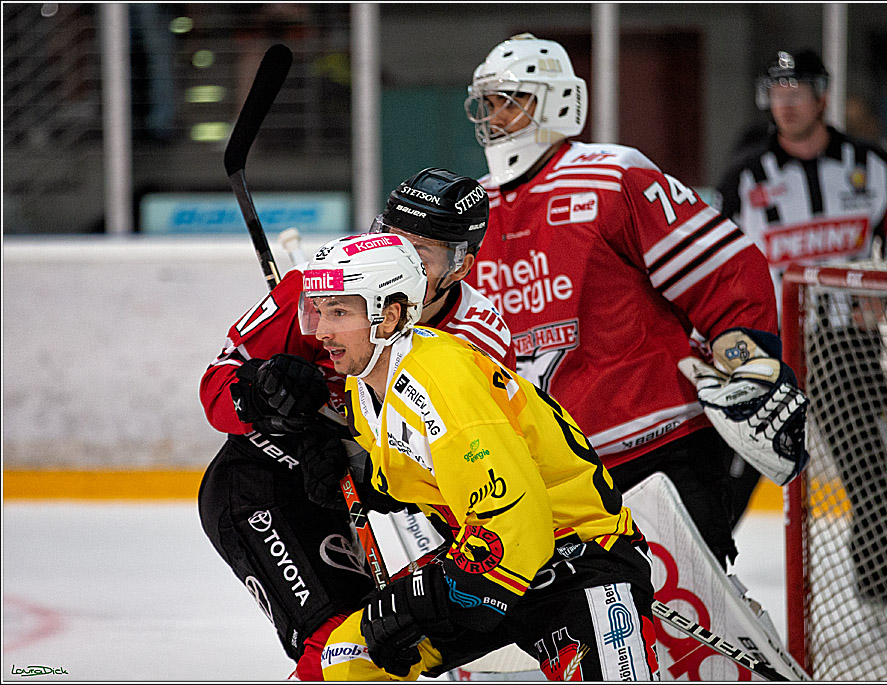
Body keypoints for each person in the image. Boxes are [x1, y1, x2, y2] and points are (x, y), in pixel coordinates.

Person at [460, 33, 808, 571]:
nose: (496, 116)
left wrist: (749, 360)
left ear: (557, 102)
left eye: (513, 99)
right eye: (490, 101)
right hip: (556, 469)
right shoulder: (472, 212)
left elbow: (725, 270)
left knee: (695, 625)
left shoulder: (612, 175)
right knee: (601, 635)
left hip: (662, 448)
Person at [297, 232, 659, 681]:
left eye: (339, 312)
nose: (321, 331)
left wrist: (426, 597)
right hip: (495, 565)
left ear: (388, 317)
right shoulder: (366, 383)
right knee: (351, 658)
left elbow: (515, 523)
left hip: (578, 562)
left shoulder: (440, 379)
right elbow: (421, 474)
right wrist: (361, 474)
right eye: (318, 310)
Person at [197, 168, 513, 678]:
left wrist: (364, 466)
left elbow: (469, 463)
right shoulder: (319, 288)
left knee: (382, 650)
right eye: (393, 241)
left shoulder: (478, 339)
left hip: (362, 491)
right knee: (338, 651)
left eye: (423, 254)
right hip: (267, 485)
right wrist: (260, 391)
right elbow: (217, 385)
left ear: (460, 267)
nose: (401, 261)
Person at [714, 49, 887, 613]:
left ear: (822, 96)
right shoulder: (744, 174)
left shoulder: (869, 162)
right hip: (770, 347)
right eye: (775, 91)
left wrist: (879, 296)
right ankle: (700, 575)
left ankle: (880, 584)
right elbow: (718, 261)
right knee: (734, 469)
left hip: (846, 345)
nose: (783, 103)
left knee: (873, 466)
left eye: (795, 91)